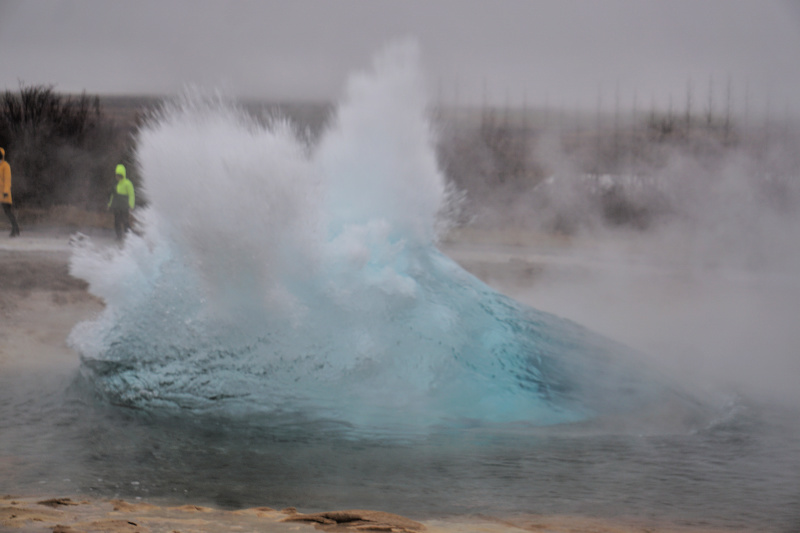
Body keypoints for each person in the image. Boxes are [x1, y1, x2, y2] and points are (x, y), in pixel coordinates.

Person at [108, 163, 135, 241]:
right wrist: (109, 204)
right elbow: (112, 195)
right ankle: (119, 236)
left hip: (124, 207)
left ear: (123, 175)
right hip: (117, 207)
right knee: (117, 222)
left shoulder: (128, 183)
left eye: (119, 175)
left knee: (125, 222)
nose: (117, 177)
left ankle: (129, 237)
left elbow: (131, 195)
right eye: (117, 175)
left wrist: (131, 205)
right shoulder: (115, 184)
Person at [0, 147, 20, 238]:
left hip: (4, 194)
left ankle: (15, 229)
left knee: (8, 212)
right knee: (7, 212)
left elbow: (7, 180)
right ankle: (16, 229)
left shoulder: (5, 166)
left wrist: (5, 191)